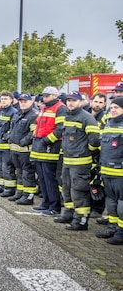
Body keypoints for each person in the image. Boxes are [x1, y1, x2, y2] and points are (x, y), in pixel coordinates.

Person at [53, 91, 100, 230]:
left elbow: (95, 140)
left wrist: (86, 151)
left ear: (80, 102)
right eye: (68, 100)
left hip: (80, 162)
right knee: (66, 189)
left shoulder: (86, 118)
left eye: (74, 100)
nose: (70, 103)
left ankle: (81, 220)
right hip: (68, 160)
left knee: (79, 191)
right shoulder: (68, 116)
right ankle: (68, 213)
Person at [31, 86, 67, 216]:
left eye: (47, 95)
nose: (44, 98)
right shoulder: (44, 108)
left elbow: (60, 129)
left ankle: (54, 206)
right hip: (39, 147)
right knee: (42, 178)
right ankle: (45, 203)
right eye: (44, 96)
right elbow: (39, 125)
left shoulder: (60, 108)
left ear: (54, 95)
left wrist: (46, 140)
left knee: (49, 178)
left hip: (50, 147)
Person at [96, 97, 123, 244]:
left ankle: (121, 233)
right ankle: (112, 228)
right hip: (107, 171)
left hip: (120, 173)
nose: (113, 110)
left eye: (116, 108)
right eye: (112, 107)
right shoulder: (108, 124)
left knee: (121, 206)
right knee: (111, 204)